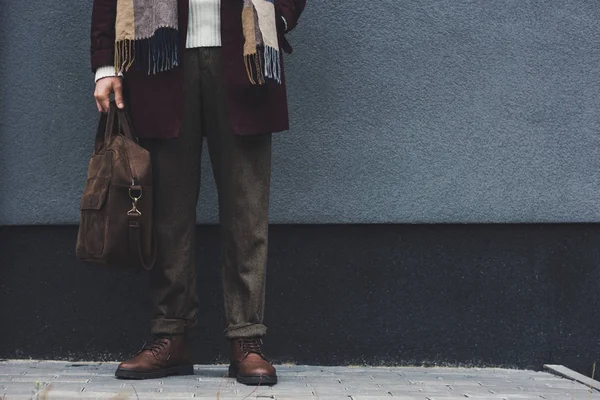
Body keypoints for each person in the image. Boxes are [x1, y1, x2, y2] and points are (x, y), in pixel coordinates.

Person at [90, 0, 306, 385]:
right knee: (167, 212)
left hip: (244, 53)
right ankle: (170, 335)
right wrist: (106, 65)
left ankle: (247, 339)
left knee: (247, 209)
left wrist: (279, 16)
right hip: (159, 56)